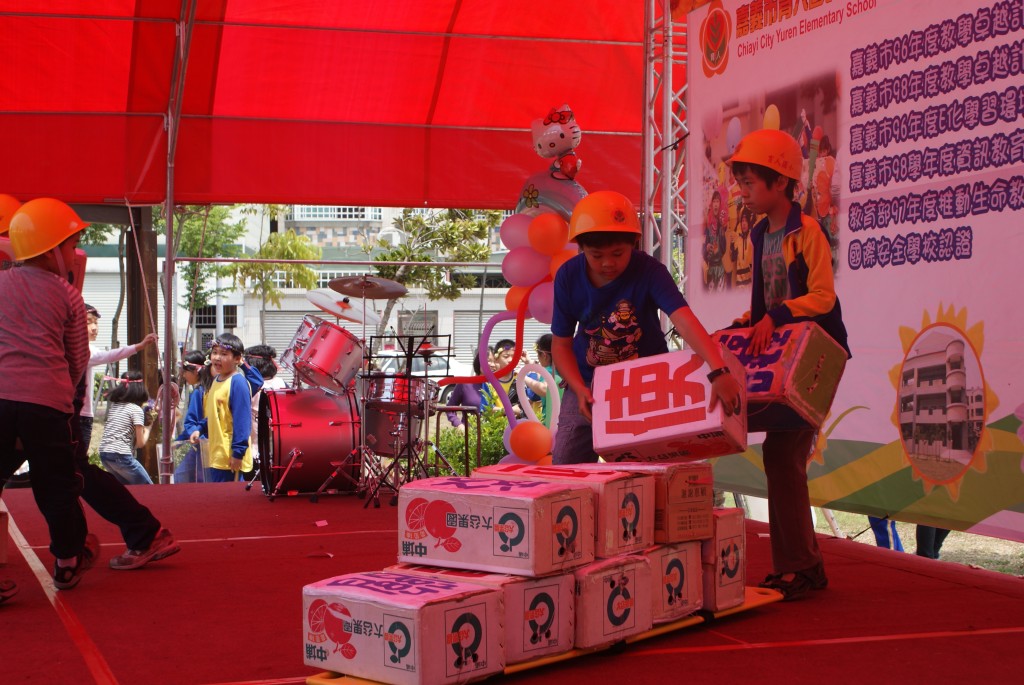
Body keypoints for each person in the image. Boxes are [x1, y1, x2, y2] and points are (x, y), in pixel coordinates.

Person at [725, 129, 851, 601]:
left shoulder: (807, 231)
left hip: (816, 353)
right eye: (740, 183)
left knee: (783, 456)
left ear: (780, 182)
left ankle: (803, 567)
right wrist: (750, 321)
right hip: (785, 351)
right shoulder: (761, 233)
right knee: (780, 457)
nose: (742, 192)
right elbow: (767, 299)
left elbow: (822, 297)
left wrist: (775, 316)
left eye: (749, 183)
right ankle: (800, 566)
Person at [549, 190, 743, 467]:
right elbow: (561, 344)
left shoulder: (650, 271)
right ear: (581, 248)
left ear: (635, 243)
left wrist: (718, 369)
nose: (608, 263)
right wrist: (578, 387)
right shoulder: (568, 276)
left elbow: (684, 320)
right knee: (566, 467)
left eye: (618, 253)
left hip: (646, 384)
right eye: (596, 255)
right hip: (588, 384)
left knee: (651, 470)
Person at [0, 198, 97, 591]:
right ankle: (67, 562)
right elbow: (78, 358)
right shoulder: (68, 294)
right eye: (71, 245)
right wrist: (62, 390)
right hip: (46, 405)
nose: (74, 254)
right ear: (50, 250)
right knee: (56, 485)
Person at [81, 303, 157, 451]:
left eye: (96, 322)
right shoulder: (83, 351)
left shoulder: (87, 349)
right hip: (80, 416)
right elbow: (109, 355)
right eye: (88, 322)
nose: (94, 327)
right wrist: (139, 346)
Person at [190, 333, 254, 482]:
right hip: (217, 455)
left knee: (231, 496)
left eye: (224, 354)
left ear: (237, 359)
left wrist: (238, 453)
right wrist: (200, 428)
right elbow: (215, 414)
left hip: (230, 457)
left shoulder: (238, 383)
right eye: (214, 352)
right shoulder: (216, 380)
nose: (217, 358)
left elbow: (242, 422)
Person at [97, 370, 155, 485]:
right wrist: (148, 429)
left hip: (105, 455)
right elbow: (140, 443)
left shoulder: (114, 407)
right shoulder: (136, 409)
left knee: (126, 489)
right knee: (148, 487)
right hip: (121, 455)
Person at [523, 333, 562, 428]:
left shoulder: (549, 371)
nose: (538, 358)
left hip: (551, 425)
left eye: (538, 355)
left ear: (544, 355)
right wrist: (529, 363)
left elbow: (544, 389)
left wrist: (523, 377)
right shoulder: (563, 369)